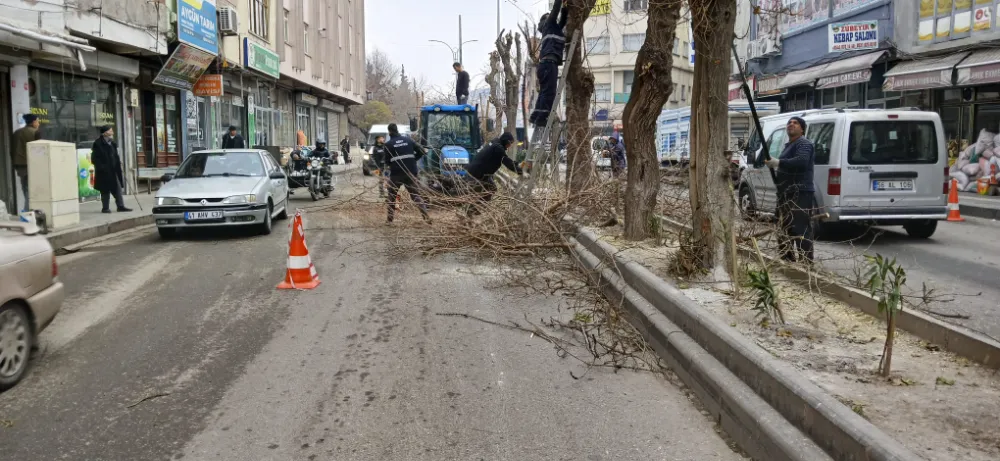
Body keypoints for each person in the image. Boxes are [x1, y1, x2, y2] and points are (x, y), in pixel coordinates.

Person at [765, 116, 816, 263]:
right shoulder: (789, 145)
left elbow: (801, 162)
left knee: (799, 228)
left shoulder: (804, 143)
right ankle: (787, 261)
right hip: (786, 193)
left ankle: (806, 263)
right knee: (783, 227)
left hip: (799, 193)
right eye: (789, 123)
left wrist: (779, 162)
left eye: (795, 123)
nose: (791, 125)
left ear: (802, 129)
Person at [529, 0, 569, 129]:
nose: (554, 17)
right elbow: (555, 10)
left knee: (544, 92)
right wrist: (560, 3)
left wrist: (565, 8)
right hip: (548, 63)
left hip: (546, 64)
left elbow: (562, 21)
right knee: (549, 92)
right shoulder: (549, 23)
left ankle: (536, 116)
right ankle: (542, 118)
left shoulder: (553, 28)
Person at [465, 132, 521, 217]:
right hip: (477, 174)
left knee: (492, 188)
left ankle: (474, 208)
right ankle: (470, 213)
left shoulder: (495, 142)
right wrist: (521, 171)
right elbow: (507, 163)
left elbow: (506, 159)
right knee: (478, 192)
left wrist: (517, 164)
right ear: (506, 141)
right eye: (510, 143)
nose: (510, 146)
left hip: (482, 172)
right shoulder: (498, 148)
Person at [383, 123, 431, 224]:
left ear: (389, 132)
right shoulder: (408, 140)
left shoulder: (388, 145)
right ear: (397, 130)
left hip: (396, 174)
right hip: (411, 172)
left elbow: (387, 162)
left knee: (392, 196)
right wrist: (414, 160)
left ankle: (389, 221)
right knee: (415, 195)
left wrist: (387, 173)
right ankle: (426, 216)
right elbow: (422, 151)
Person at [91, 126, 132, 214]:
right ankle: (105, 208)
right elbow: (94, 159)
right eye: (110, 130)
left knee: (117, 189)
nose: (112, 132)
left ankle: (120, 206)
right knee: (105, 190)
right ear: (105, 133)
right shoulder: (98, 144)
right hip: (104, 172)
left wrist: (118, 163)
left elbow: (115, 156)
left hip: (114, 171)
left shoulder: (112, 143)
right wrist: (102, 167)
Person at [12, 114, 41, 211]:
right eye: (37, 121)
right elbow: (40, 150)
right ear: (33, 122)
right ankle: (28, 211)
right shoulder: (35, 132)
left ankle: (27, 210)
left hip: (19, 165)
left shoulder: (16, 132)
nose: (38, 123)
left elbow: (11, 150)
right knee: (31, 190)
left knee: (25, 188)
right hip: (31, 165)